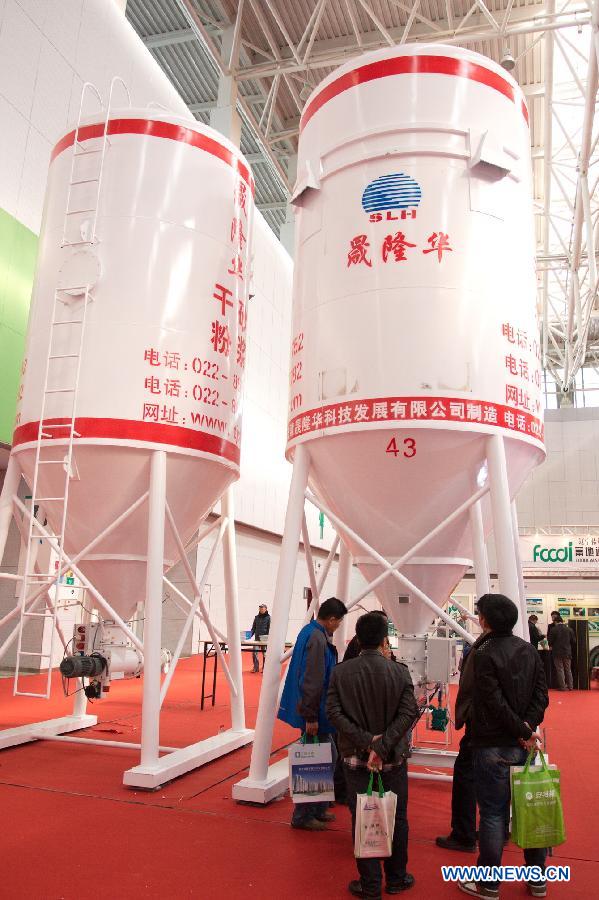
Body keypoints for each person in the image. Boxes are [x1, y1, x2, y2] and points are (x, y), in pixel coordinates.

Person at [458, 594, 549, 900]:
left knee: (494, 815)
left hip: (491, 745)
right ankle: (538, 880)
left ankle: (489, 884)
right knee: (532, 809)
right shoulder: (528, 650)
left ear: (485, 620)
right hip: (524, 745)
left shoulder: (484, 654)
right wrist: (526, 728)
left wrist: (520, 729)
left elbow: (492, 700)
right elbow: (541, 696)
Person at [327, 612, 419, 899]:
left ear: (357, 637)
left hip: (355, 758)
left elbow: (333, 712)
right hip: (392, 759)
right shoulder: (400, 671)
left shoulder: (341, 672)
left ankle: (369, 884)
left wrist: (367, 742)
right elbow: (408, 714)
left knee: (362, 816)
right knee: (398, 818)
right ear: (384, 639)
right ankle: (396, 877)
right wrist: (381, 747)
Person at [278, 596, 347, 831]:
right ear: (331, 619)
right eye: (338, 622)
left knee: (324, 757)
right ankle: (304, 815)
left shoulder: (310, 632)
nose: (338, 626)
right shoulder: (317, 639)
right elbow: (313, 679)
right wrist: (311, 716)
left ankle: (315, 809)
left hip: (312, 709)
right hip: (314, 711)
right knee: (317, 760)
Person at [435, 625, 494, 854]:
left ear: (483, 619)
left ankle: (464, 834)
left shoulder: (479, 651)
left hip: (480, 730)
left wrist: (465, 717)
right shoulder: (525, 650)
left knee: (466, 778)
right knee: (497, 784)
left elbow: (470, 690)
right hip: (509, 731)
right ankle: (501, 830)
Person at [547, 614, 576, 691]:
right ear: (562, 621)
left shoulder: (553, 629)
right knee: (568, 669)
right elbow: (573, 641)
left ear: (556, 622)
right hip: (567, 652)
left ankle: (562, 687)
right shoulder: (569, 629)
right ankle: (570, 686)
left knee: (560, 669)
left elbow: (550, 641)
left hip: (557, 652)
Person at [249, 604, 271, 673]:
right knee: (254, 653)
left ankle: (265, 668)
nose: (261, 609)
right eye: (260, 608)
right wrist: (249, 635)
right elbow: (253, 628)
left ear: (266, 609)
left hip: (265, 640)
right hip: (257, 639)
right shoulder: (256, 617)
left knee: (265, 654)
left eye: (262, 608)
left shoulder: (269, 618)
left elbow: (270, 629)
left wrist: (269, 638)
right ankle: (256, 668)